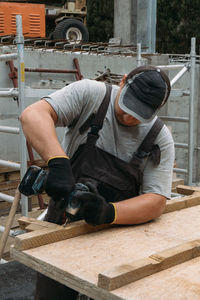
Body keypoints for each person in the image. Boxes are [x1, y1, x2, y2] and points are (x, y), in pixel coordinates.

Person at [20, 65, 174, 299]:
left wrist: (107, 212)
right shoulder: (91, 95)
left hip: (114, 236)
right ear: (122, 82)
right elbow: (33, 115)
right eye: (127, 106)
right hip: (62, 228)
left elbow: (155, 201)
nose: (129, 116)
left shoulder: (158, 137)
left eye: (140, 113)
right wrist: (58, 162)